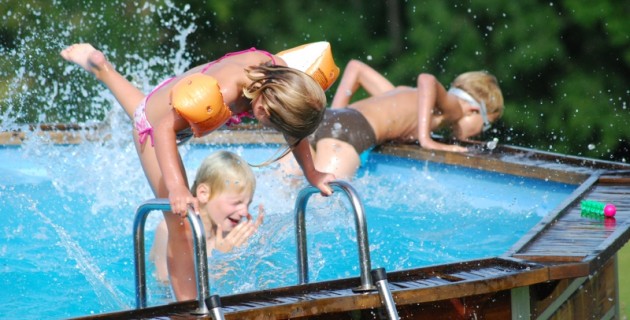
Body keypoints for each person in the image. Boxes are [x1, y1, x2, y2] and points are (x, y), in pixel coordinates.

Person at [60, 43, 335, 300]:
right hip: (155, 128)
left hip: (175, 96)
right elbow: (163, 128)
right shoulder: (222, 95)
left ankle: (102, 68)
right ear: (262, 109)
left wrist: (312, 173)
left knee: (145, 104)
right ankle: (188, 309)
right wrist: (177, 187)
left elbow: (294, 134)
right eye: (276, 127)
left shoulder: (278, 75)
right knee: (180, 225)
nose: (278, 133)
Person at [280, 59, 504, 180]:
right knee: (321, 214)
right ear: (474, 110)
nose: (480, 133)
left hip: (326, 119)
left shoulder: (402, 93)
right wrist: (426, 139)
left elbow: (355, 68)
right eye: (486, 125)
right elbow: (427, 79)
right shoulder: (455, 108)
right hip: (347, 132)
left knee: (283, 191)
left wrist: (336, 116)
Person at [149, 150, 263, 284]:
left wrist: (257, 245)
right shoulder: (168, 230)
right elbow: (167, 287)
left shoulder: (229, 234)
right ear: (203, 194)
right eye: (236, 202)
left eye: (248, 204)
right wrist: (222, 259)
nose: (244, 212)